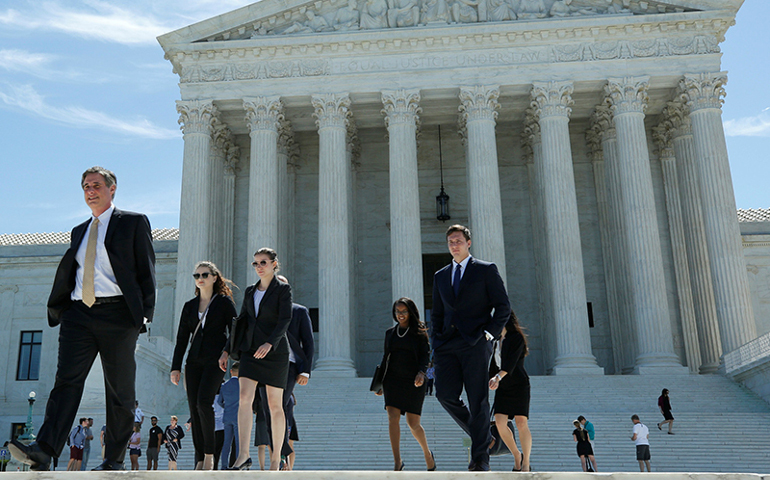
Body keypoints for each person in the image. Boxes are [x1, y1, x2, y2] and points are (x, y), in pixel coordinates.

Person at [9, 166, 156, 472]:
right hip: (79, 314)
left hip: (118, 314)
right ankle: (45, 450)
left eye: (96, 185)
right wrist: (64, 309)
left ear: (112, 189)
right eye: (86, 186)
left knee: (119, 391)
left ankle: (113, 460)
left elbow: (146, 271)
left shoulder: (132, 222)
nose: (91, 191)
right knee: (66, 383)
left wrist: (143, 317)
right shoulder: (80, 230)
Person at [431, 224, 511, 471]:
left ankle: (480, 460)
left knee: (478, 400)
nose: (454, 245)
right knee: (444, 394)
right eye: (450, 242)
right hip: (447, 345)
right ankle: (484, 436)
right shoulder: (440, 275)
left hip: (476, 343)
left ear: (468, 243)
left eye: (458, 241)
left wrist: (488, 335)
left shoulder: (486, 270)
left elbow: (503, 307)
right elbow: (437, 313)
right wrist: (436, 340)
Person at [219, 248, 292, 471]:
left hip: (275, 353)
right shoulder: (251, 291)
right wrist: (225, 350)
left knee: (274, 405)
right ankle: (242, 455)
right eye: (256, 263)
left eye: (263, 262)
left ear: (274, 264)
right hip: (250, 351)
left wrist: (270, 343)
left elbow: (285, 319)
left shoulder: (283, 290)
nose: (259, 266)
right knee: (244, 399)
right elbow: (241, 322)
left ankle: (275, 459)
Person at [171, 261, 237, 470]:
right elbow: (182, 338)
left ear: (215, 277)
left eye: (205, 274)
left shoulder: (224, 303)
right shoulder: (189, 306)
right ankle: (199, 456)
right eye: (197, 275)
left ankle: (210, 454)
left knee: (203, 403)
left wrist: (227, 352)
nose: (200, 278)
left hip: (216, 361)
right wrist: (175, 367)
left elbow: (234, 331)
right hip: (193, 362)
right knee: (194, 407)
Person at [259, 275, 315, 470]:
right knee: (267, 410)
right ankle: (280, 451)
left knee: (278, 406)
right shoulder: (261, 312)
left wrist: (305, 371)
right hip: (264, 366)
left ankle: (281, 455)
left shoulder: (299, 311)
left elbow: (308, 342)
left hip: (289, 365)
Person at [376, 298, 435, 471]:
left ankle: (427, 453)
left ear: (410, 312)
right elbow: (385, 358)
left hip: (413, 381)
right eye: (397, 311)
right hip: (392, 380)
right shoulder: (390, 333)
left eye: (404, 311)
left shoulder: (419, 333)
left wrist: (422, 373)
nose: (400, 315)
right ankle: (397, 461)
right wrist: (379, 382)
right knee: (392, 418)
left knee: (413, 423)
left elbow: (426, 356)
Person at [488, 312, 532, 472]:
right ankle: (516, 455)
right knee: (500, 423)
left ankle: (526, 463)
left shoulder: (516, 338)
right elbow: (493, 365)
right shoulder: (495, 341)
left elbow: (511, 364)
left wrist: (497, 377)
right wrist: (490, 378)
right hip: (503, 386)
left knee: (521, 423)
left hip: (519, 384)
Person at [218, 362, 240, 469]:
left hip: (227, 416)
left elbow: (219, 401)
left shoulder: (224, 386)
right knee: (238, 443)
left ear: (231, 371)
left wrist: (226, 407)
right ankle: (237, 464)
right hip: (238, 417)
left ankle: (224, 465)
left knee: (226, 443)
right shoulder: (242, 385)